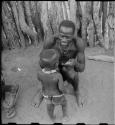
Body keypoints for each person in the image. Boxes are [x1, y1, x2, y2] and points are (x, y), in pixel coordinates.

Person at [42, 20, 85, 107]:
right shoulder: (51, 41)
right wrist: (51, 65)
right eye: (62, 36)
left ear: (73, 36)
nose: (64, 40)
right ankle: (42, 91)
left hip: (68, 68)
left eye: (67, 37)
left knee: (73, 74)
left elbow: (82, 68)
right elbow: (41, 61)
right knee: (44, 72)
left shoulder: (78, 43)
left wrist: (75, 63)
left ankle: (76, 91)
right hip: (54, 67)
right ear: (58, 33)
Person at [32, 49, 68, 121]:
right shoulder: (58, 76)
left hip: (46, 95)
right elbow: (61, 88)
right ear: (56, 64)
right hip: (57, 95)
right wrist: (65, 90)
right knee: (64, 104)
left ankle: (52, 118)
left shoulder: (39, 73)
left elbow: (41, 80)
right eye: (57, 61)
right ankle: (65, 117)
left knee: (50, 107)